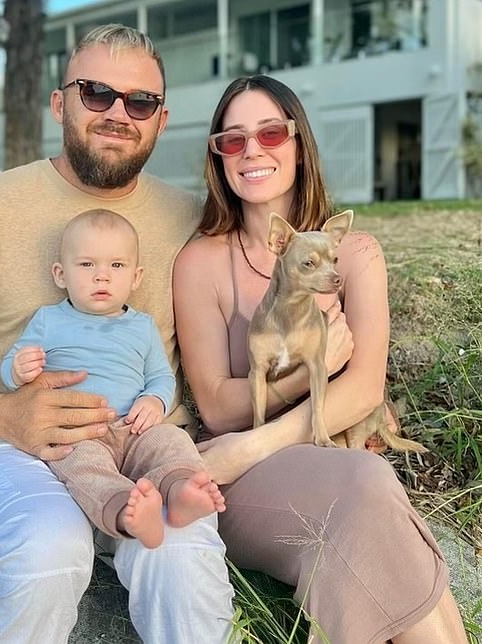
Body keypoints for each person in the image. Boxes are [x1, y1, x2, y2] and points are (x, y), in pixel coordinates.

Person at [0, 24, 236, 644]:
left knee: (182, 558)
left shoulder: (191, 219)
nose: (118, 113)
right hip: (12, 445)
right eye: (96, 92)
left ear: (161, 118)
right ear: (59, 102)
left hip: (145, 440)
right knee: (48, 547)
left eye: (139, 101)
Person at [173, 75, 468, 644]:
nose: (252, 150)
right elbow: (217, 404)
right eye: (232, 140)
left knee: (365, 479)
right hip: (239, 484)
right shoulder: (200, 263)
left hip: (252, 456)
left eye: (270, 133)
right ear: (219, 158)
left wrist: (255, 444)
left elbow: (363, 390)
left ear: (299, 143)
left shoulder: (354, 253)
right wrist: (305, 371)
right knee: (366, 480)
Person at [1, 208, 225, 550]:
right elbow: (9, 369)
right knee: (81, 466)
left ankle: (182, 492)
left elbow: (161, 377)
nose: (101, 277)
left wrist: (155, 400)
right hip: (77, 431)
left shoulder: (142, 326)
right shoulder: (48, 320)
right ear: (60, 274)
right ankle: (127, 511)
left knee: (172, 443)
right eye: (87, 265)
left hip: (136, 429)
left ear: (136, 278)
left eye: (116, 266)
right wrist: (19, 368)